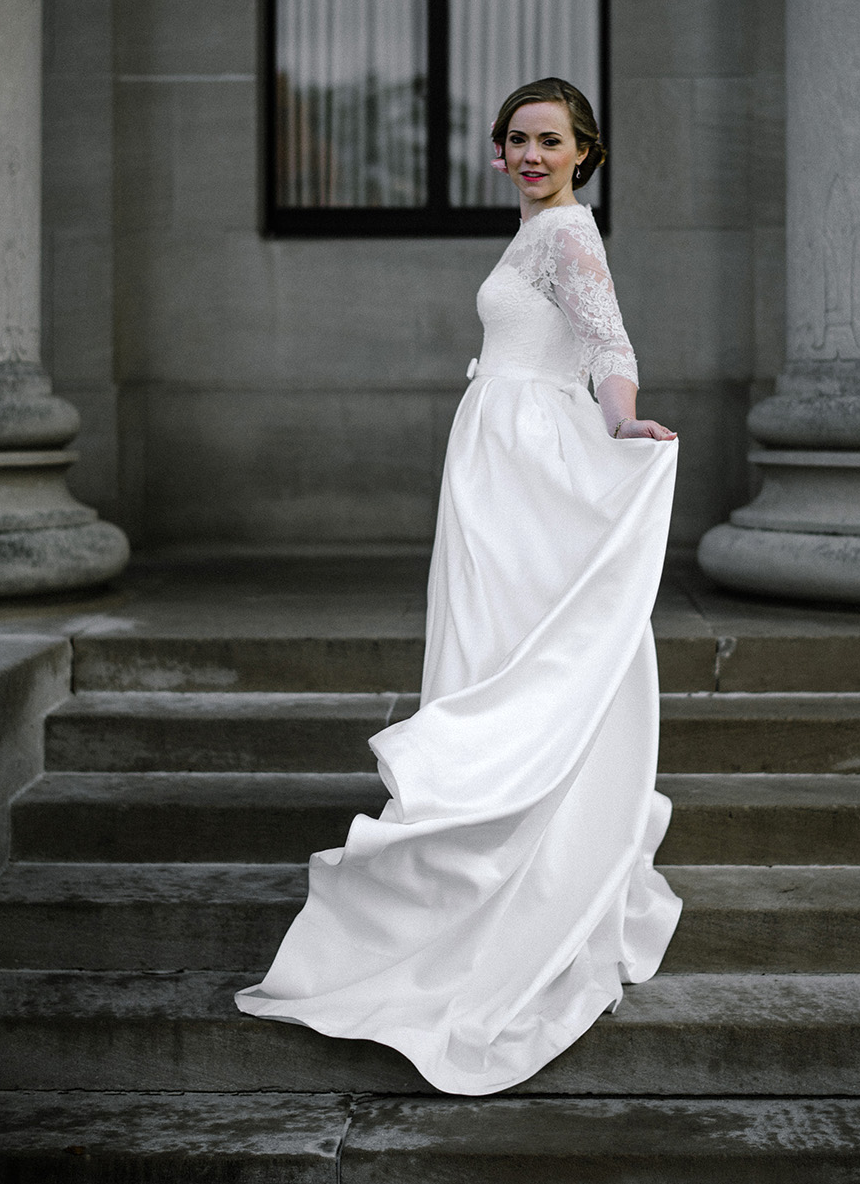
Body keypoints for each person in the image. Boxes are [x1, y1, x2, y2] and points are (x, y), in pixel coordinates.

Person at [237, 78, 683, 1094]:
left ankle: (509, 839)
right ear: (498, 154)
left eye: (549, 141)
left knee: (520, 643)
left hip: (530, 454)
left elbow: (609, 344)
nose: (531, 154)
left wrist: (619, 422)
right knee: (487, 640)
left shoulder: (570, 234)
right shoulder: (534, 231)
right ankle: (482, 828)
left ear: (583, 152)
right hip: (494, 455)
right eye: (517, 140)